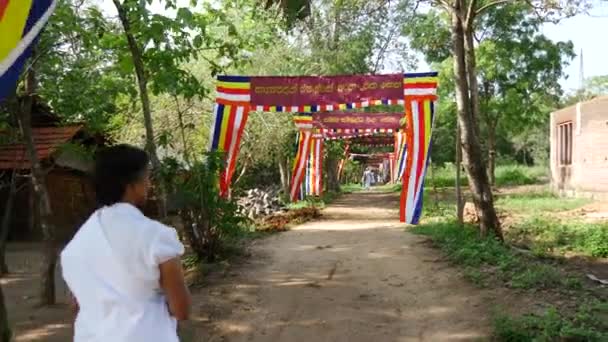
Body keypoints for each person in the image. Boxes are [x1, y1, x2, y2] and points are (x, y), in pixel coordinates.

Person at [61, 145, 191, 342]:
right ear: (131, 185)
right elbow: (181, 309)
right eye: (147, 177)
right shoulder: (156, 237)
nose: (149, 184)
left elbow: (76, 305)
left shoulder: (75, 246)